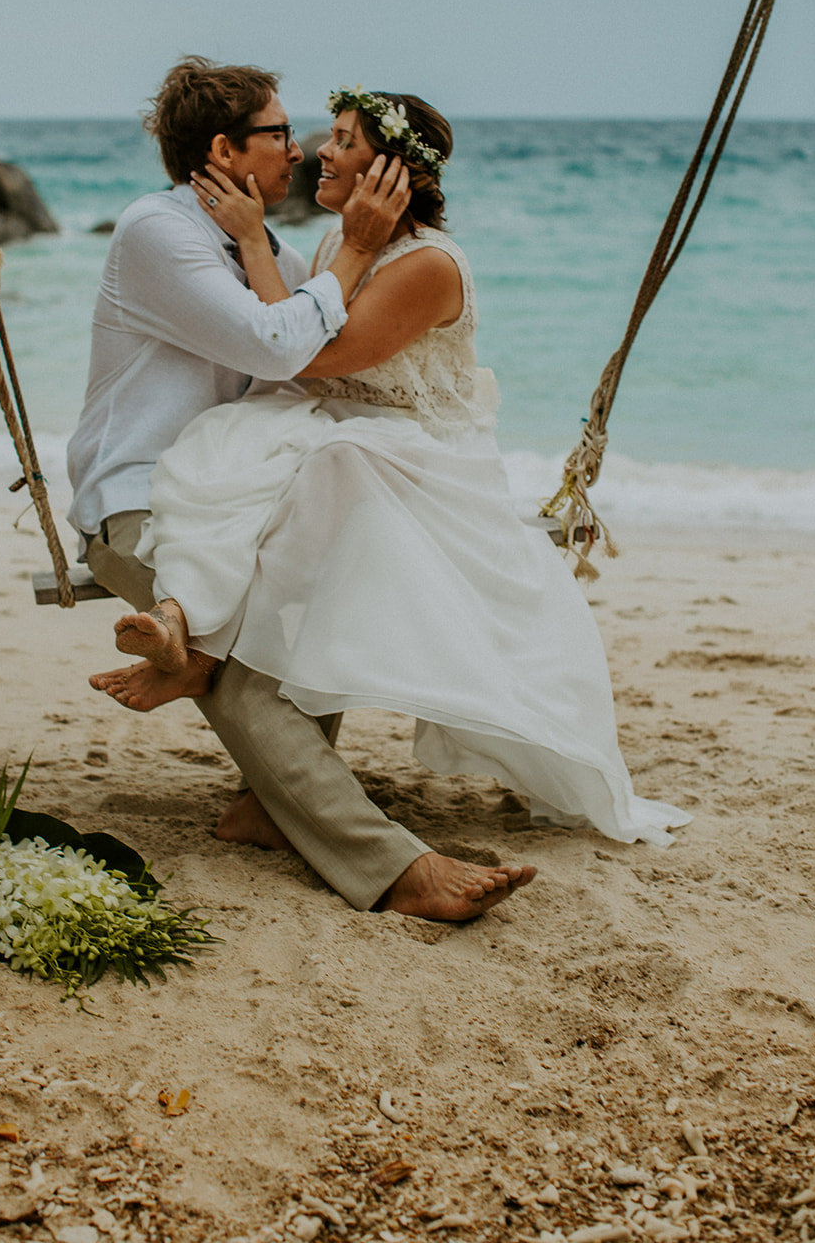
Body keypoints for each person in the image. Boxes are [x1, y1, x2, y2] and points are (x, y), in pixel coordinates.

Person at [90, 83, 690, 852]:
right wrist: (259, 244)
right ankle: (229, 717)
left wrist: (318, 248)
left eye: (342, 140)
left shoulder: (426, 265)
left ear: (390, 171)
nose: (318, 151)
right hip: (346, 438)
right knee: (249, 457)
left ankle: (193, 642)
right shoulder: (326, 249)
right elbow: (287, 337)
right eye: (315, 135)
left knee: (320, 464)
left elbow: (313, 358)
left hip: (414, 458)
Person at [69, 57, 534, 922]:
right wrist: (356, 246)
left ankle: (261, 809)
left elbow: (320, 323)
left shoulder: (257, 237)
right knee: (242, 675)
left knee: (343, 550)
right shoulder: (157, 232)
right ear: (224, 148)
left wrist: (346, 253)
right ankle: (396, 869)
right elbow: (284, 345)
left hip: (238, 493)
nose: (302, 148)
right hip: (140, 504)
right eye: (280, 133)